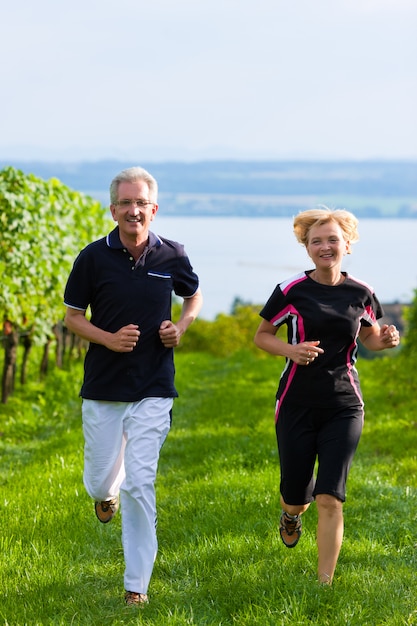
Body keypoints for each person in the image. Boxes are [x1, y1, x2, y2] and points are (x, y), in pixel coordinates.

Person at [64, 166, 202, 606]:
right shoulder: (92, 257)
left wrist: (180, 326)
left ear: (154, 209)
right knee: (99, 482)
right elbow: (72, 318)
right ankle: (105, 495)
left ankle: (136, 585)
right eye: (126, 203)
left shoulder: (172, 255)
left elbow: (193, 295)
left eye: (141, 203)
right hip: (104, 386)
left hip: (155, 384)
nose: (133, 210)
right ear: (113, 209)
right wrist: (109, 339)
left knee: (140, 481)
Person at [253, 206, 400, 585]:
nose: (325, 246)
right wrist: (292, 351)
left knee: (330, 496)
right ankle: (290, 515)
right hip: (296, 403)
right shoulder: (291, 291)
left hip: (344, 404)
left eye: (332, 239)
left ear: (347, 244)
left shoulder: (361, 292)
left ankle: (324, 584)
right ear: (307, 248)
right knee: (296, 497)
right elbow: (262, 336)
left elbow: (368, 334)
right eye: (316, 241)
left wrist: (383, 341)